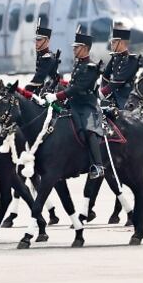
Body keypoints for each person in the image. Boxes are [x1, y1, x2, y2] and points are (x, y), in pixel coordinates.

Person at [51, 28, 105, 179]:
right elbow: (72, 84)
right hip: (74, 103)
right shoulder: (78, 64)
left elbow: (79, 87)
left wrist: (57, 96)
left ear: (85, 48)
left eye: (77, 47)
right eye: (74, 47)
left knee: (88, 131)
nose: (74, 49)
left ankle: (98, 165)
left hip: (87, 105)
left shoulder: (91, 67)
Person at [101, 26, 143, 110]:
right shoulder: (115, 57)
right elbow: (105, 75)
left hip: (126, 97)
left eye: (113, 42)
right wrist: (104, 91)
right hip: (113, 95)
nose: (111, 45)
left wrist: (104, 91)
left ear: (121, 43)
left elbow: (120, 80)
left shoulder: (131, 60)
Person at [25, 27, 61, 95]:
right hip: (42, 89)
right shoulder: (42, 55)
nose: (36, 42)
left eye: (39, 40)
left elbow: (38, 80)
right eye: (36, 39)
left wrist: (23, 91)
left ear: (47, 40)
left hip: (49, 92)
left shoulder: (48, 58)